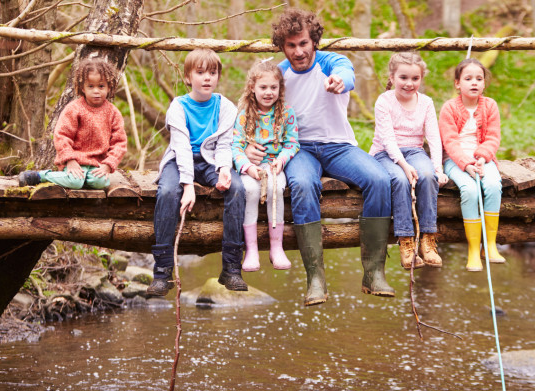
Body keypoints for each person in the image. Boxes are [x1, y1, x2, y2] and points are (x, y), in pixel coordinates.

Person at [246, 8, 394, 306]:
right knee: (301, 184)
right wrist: (248, 144)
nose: (298, 51)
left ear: (313, 41)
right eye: (291, 45)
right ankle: (315, 277)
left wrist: (339, 82)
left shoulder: (332, 62)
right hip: (299, 148)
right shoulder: (280, 74)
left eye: (303, 43)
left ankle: (374, 272)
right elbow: (253, 108)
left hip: (339, 146)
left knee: (379, 178)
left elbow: (347, 74)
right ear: (282, 47)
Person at [146, 48, 247, 296]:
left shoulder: (225, 107)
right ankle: (162, 272)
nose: (207, 78)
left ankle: (231, 268)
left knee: (237, 188)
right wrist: (187, 185)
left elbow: (224, 145)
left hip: (211, 160)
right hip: (180, 161)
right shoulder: (178, 106)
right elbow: (180, 147)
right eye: (200, 72)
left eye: (212, 73)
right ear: (188, 77)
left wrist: (224, 170)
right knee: (168, 191)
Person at [370, 52, 448, 270]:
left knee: (427, 176)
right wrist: (403, 166)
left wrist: (437, 168)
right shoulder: (384, 101)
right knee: (400, 180)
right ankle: (406, 241)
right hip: (385, 153)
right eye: (403, 77)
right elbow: (387, 139)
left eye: (415, 78)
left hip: (414, 151)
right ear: (392, 77)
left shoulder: (426, 103)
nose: (409, 83)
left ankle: (427, 238)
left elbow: (433, 137)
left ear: (421, 79)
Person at [232, 60, 300, 272]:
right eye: (263, 87)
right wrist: (249, 168)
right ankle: (251, 249)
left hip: (273, 166)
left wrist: (281, 160)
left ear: (280, 89)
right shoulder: (244, 113)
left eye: (273, 87)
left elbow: (292, 143)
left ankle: (276, 246)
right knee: (250, 190)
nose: (268, 92)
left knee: (276, 189)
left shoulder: (286, 113)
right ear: (252, 87)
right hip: (251, 167)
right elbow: (236, 146)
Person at [439, 58, 505, 272]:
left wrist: (482, 157)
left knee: (494, 186)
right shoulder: (449, 108)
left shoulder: (490, 106)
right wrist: (466, 164)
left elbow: (493, 137)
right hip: (455, 161)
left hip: (483, 160)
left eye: (479, 78)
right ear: (458, 83)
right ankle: (474, 250)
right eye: (468, 78)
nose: (474, 83)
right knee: (470, 190)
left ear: (484, 83)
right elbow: (449, 141)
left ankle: (490, 245)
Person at [18, 59, 127, 189]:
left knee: (100, 183)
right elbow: (62, 135)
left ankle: (84, 179)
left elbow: (119, 142)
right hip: (75, 162)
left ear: (109, 87)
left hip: (97, 165)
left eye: (101, 86)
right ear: (82, 88)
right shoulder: (74, 109)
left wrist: (108, 165)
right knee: (75, 182)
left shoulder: (113, 112)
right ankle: (40, 176)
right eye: (91, 86)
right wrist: (70, 160)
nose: (96, 91)